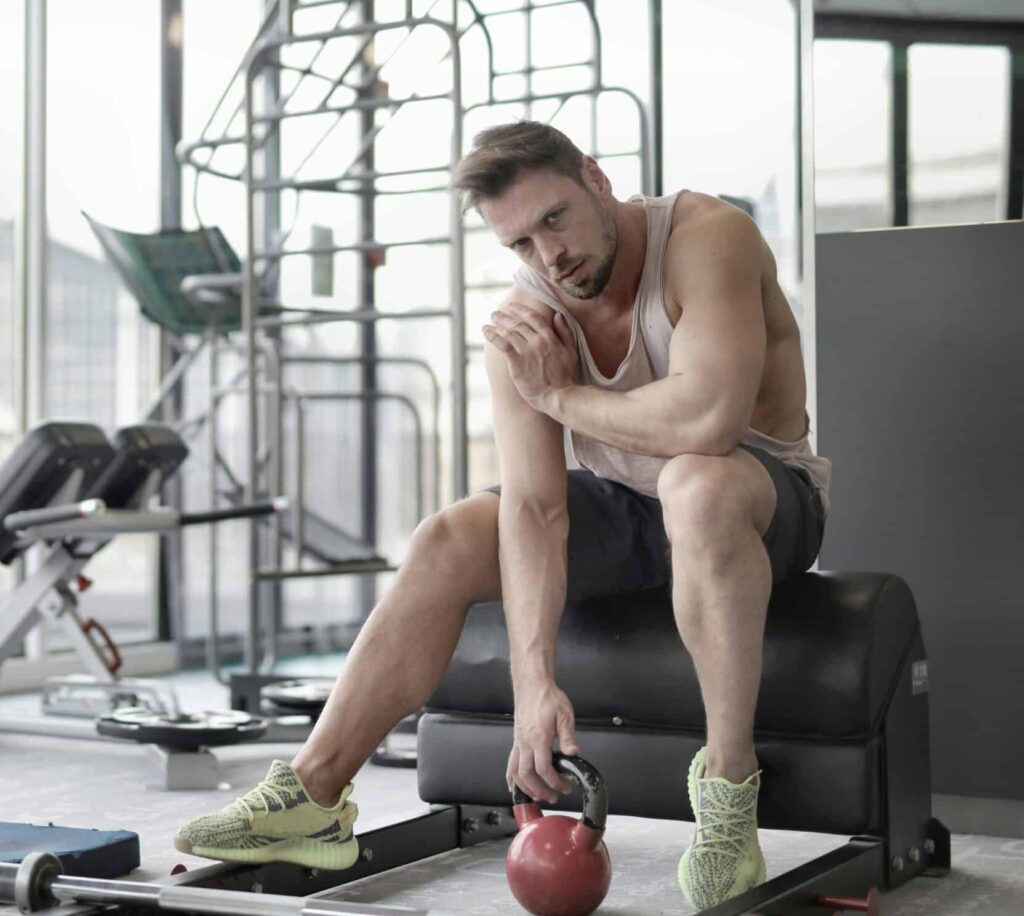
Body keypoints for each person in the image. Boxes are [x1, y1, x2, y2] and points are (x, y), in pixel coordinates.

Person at [175, 120, 831, 910]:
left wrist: (561, 396)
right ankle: (312, 797)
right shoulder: (528, 322)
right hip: (627, 511)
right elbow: (533, 506)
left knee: (696, 483)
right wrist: (534, 687)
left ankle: (728, 793)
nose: (548, 256)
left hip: (757, 498)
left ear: (594, 178)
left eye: (554, 219)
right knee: (451, 533)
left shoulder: (706, 236)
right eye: (520, 243)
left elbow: (709, 421)